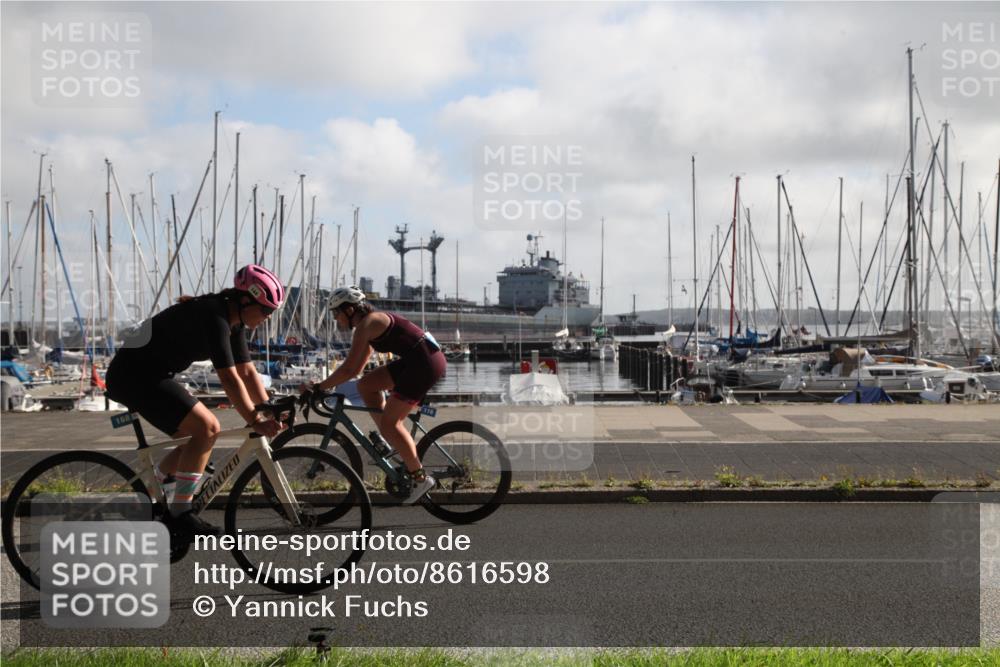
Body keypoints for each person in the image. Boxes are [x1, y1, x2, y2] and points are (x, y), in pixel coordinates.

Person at [105, 264, 286, 535]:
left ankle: (155, 497)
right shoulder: (214, 316)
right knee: (207, 428)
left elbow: (247, 373)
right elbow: (229, 379)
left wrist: (269, 411)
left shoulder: (234, 323)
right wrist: (253, 419)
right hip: (133, 376)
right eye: (265, 310)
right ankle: (181, 513)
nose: (268, 317)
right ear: (245, 300)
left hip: (151, 374)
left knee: (194, 441)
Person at [303, 286, 446, 504]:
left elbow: (349, 369)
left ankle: (420, 477)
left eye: (336, 313)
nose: (335, 319)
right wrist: (327, 385)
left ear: (349, 310)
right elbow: (357, 369)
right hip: (417, 360)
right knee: (366, 385)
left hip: (424, 365)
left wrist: (321, 387)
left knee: (392, 423)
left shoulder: (367, 324)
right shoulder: (368, 326)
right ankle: (389, 438)